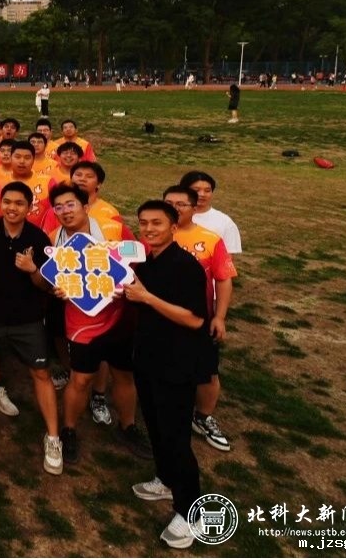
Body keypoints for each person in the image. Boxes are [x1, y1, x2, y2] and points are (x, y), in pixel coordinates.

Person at [127, 201, 211, 550]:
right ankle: (164, 479)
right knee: (156, 425)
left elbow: (194, 319)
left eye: (156, 223)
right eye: (143, 223)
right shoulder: (149, 262)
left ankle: (191, 512)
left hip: (176, 364)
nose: (148, 229)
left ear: (173, 227)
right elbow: (137, 297)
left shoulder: (186, 267)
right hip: (148, 359)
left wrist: (147, 298)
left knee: (176, 438)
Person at [47, 184, 149, 465]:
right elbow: (53, 278)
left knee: (124, 375)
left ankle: (127, 426)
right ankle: (69, 430)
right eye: (59, 207)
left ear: (85, 206)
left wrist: (124, 286)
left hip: (120, 317)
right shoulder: (55, 238)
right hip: (82, 321)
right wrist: (57, 289)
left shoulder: (114, 229)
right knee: (80, 378)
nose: (65, 211)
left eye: (71, 205)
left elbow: (137, 262)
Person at [0, 182, 62, 474]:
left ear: (29, 207)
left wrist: (32, 269)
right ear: (0, 203)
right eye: (7, 202)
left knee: (41, 373)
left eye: (19, 203)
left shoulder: (38, 237)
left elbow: (47, 285)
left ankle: (53, 438)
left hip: (28, 320)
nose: (12, 208)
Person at [164, 185, 237, 454]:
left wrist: (220, 316)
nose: (174, 208)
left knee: (207, 371)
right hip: (161, 315)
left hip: (200, 316)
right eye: (168, 203)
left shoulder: (210, 239)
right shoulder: (153, 235)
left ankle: (203, 416)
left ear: (194, 208)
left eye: (181, 204)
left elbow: (224, 279)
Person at [180, 171, 243, 255]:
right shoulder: (171, 216)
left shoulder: (224, 222)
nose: (202, 194)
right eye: (196, 190)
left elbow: (228, 258)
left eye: (207, 190)